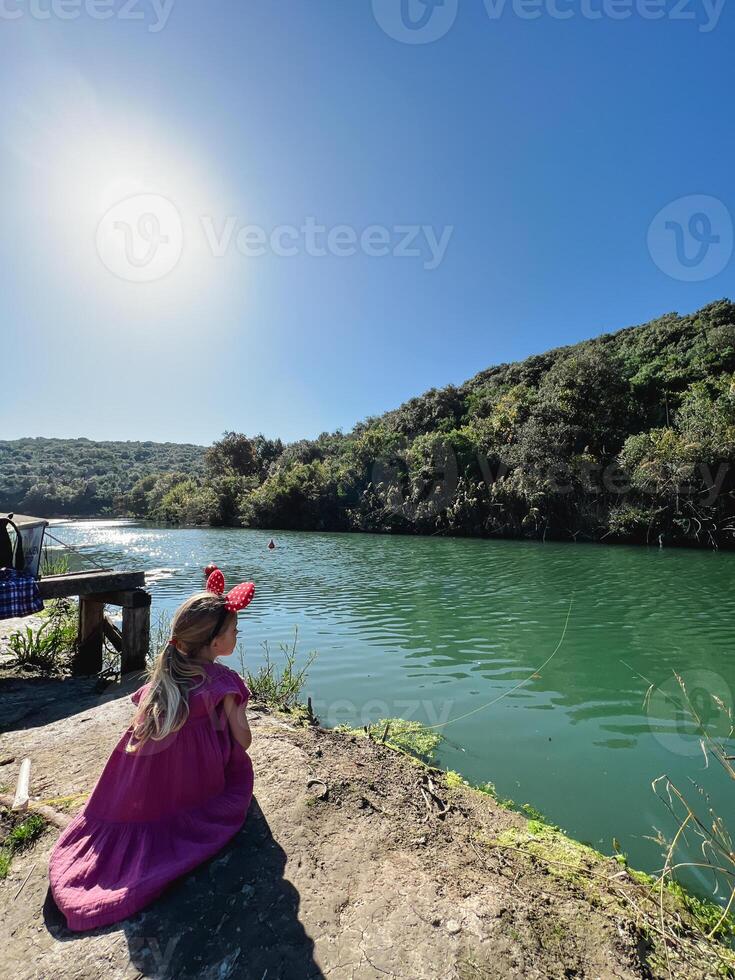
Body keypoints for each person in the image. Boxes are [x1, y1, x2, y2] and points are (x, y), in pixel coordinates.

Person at [48, 567, 256, 932]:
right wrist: (237, 710)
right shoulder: (223, 681)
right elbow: (243, 740)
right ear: (215, 644)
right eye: (234, 631)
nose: (237, 635)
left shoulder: (164, 677)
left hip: (140, 786)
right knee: (232, 776)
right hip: (192, 780)